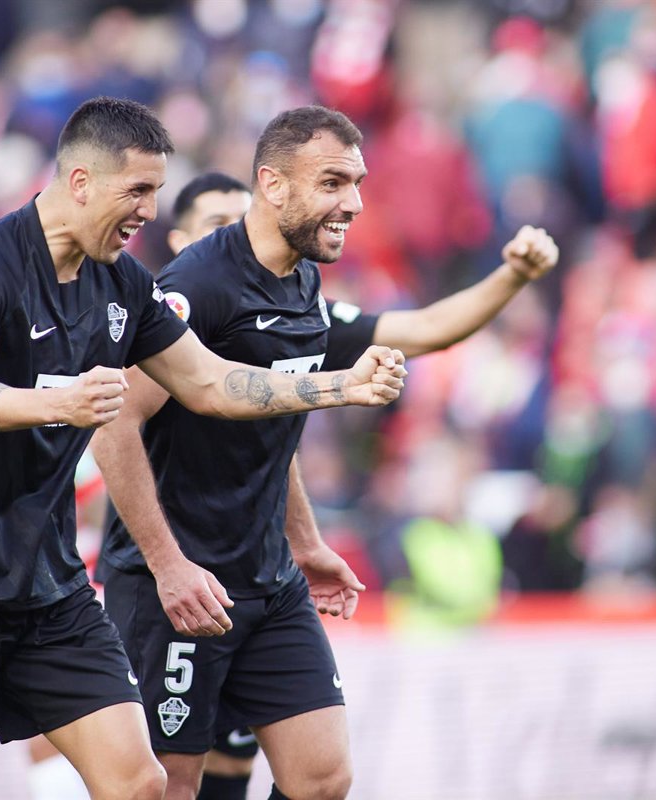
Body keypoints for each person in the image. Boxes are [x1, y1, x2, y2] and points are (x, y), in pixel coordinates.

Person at [0, 162, 558, 799]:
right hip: (103, 577)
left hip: (211, 582)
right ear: (184, 241)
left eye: (236, 219)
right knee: (112, 776)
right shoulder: (169, 298)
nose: (232, 235)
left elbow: (261, 420)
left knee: (239, 775)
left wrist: (306, 529)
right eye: (215, 223)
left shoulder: (236, 303)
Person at [90, 106, 558, 800]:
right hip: (182, 587)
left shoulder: (304, 283)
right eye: (333, 182)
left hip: (268, 579)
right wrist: (168, 564)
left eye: (357, 183)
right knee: (170, 788)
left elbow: (281, 425)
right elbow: (113, 424)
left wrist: (304, 540)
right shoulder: (199, 288)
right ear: (273, 185)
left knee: (322, 779)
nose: (355, 203)